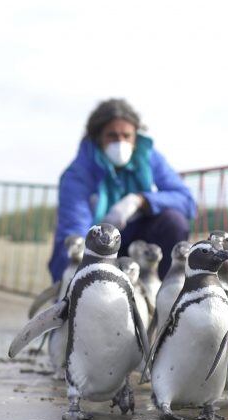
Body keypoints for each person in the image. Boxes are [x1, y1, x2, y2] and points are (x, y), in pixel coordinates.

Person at [49, 99, 195, 282]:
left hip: (139, 245)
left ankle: (168, 296)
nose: (120, 142)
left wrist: (141, 201)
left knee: (173, 221)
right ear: (98, 138)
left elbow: (186, 200)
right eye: (112, 135)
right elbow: (74, 231)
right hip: (97, 250)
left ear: (135, 136)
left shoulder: (148, 156)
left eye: (127, 136)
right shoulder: (78, 173)